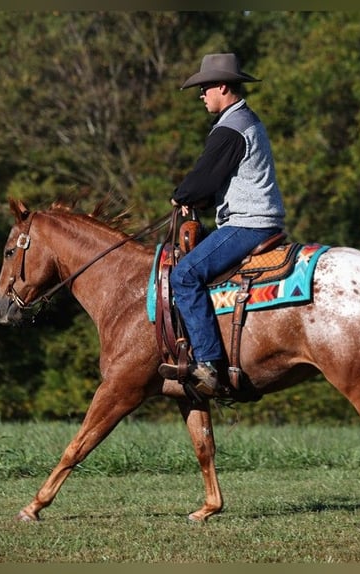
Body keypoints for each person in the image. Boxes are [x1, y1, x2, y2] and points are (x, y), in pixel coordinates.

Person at [161, 53, 286, 396]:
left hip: (249, 224)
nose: (201, 95)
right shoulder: (244, 120)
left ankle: (209, 364)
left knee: (184, 275)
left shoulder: (230, 128)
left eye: (204, 88)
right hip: (257, 220)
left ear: (222, 86)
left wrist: (182, 195)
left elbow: (203, 178)